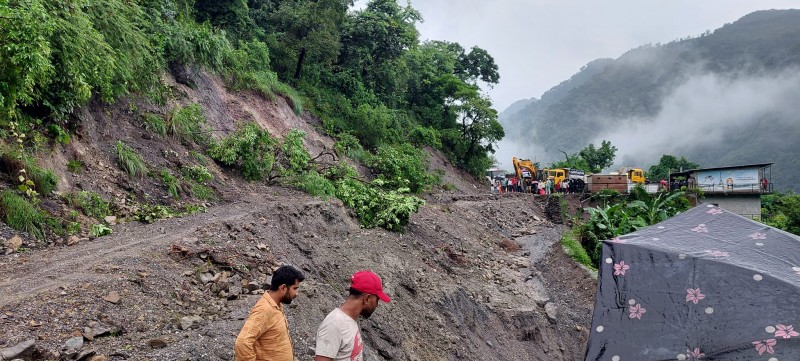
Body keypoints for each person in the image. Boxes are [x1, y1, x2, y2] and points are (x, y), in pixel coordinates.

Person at [315, 270, 391, 361]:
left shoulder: (348, 320)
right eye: (377, 300)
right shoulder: (334, 324)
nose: (377, 305)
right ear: (367, 298)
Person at [235, 265, 305, 361]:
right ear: (283, 288)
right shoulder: (264, 309)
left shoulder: (276, 305)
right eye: (295, 288)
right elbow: (242, 342)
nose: (296, 293)